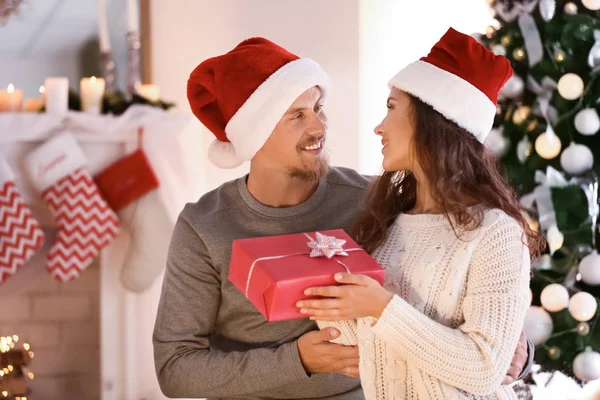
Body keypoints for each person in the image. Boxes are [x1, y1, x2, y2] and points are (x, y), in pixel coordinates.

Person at [152, 36, 533, 400]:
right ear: (255, 132)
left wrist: (518, 348)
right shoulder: (204, 226)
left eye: (318, 108)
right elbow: (175, 369)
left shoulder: (376, 203)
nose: (319, 127)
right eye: (296, 116)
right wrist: (296, 361)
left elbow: (458, 289)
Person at [297, 28, 544, 399]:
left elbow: (485, 369)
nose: (379, 126)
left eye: (392, 107)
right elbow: (365, 347)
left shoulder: (495, 232)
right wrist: (328, 296)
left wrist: (381, 306)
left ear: (433, 119)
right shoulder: (390, 223)